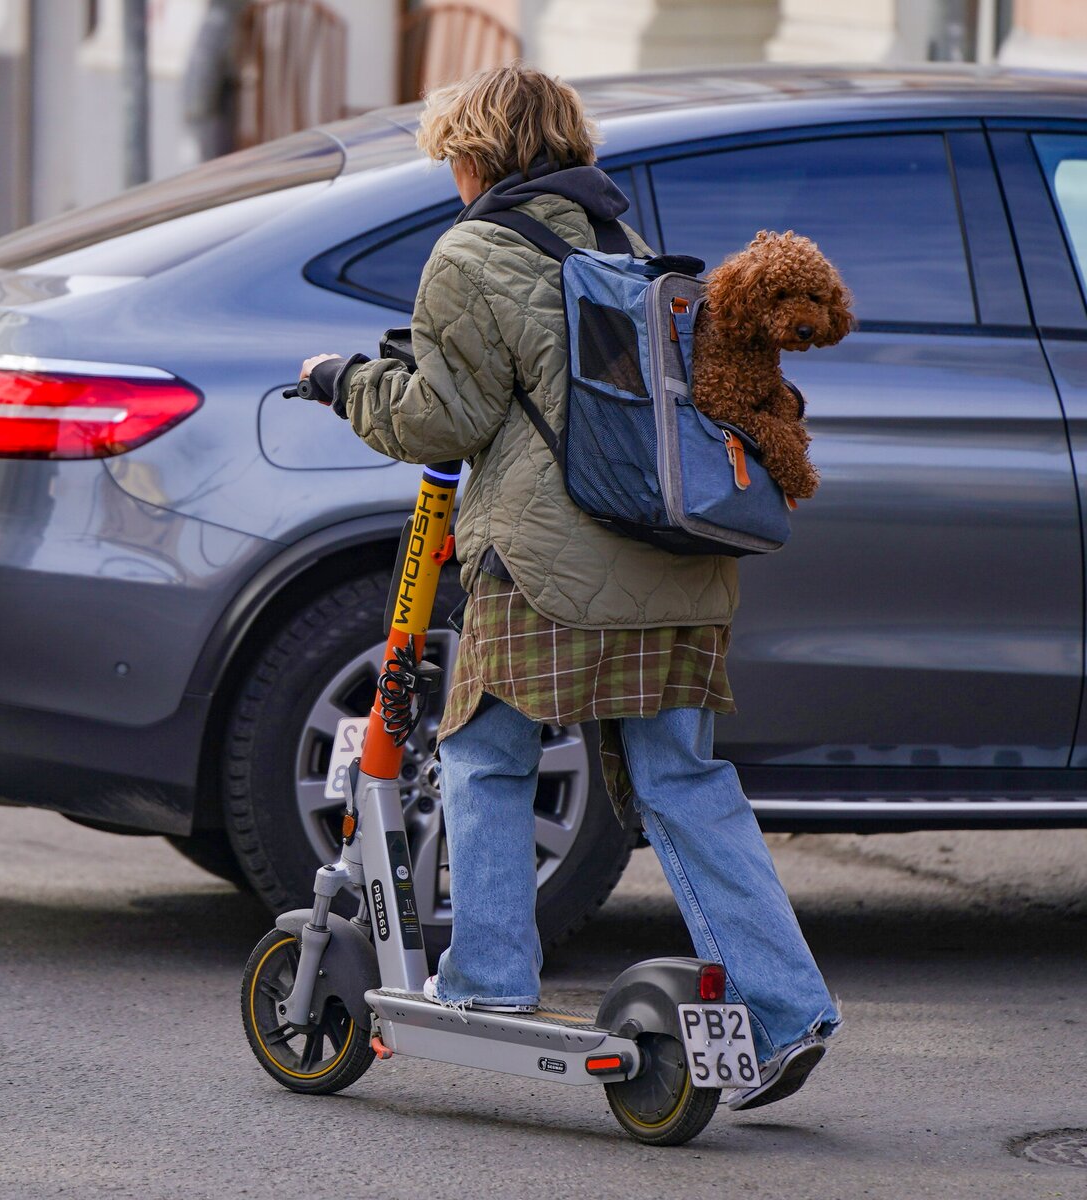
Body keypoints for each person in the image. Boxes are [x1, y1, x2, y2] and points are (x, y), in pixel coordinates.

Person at [299, 63, 840, 1112]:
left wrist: (342, 382)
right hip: (678, 563)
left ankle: (490, 980)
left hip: (550, 566)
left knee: (485, 752)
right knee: (685, 787)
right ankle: (787, 1012)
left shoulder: (472, 251)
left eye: (451, 157)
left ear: (475, 158)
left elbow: (438, 422)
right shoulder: (626, 250)